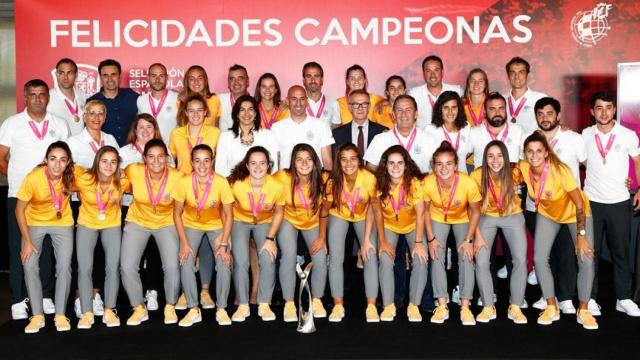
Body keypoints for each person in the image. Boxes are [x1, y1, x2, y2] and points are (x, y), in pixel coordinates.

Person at [0, 79, 69, 320]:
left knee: (47, 249)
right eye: (33, 94)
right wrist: (19, 180)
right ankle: (19, 299)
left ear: (47, 97)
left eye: (42, 94)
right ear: (25, 97)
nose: (38, 98)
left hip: (52, 199)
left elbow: (64, 159)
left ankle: (46, 296)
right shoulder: (12, 123)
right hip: (19, 196)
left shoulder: (59, 124)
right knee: (20, 247)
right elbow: (1, 157)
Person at [520, 131, 598, 330]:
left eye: (539, 151)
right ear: (525, 153)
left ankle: (584, 309)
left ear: (546, 152)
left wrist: (581, 236)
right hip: (548, 214)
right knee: (539, 259)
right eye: (530, 151)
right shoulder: (523, 167)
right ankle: (551, 306)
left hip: (576, 213)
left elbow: (579, 203)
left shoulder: (560, 170)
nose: (534, 155)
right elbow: (502, 172)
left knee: (585, 257)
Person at [582, 91, 640, 317]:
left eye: (608, 107)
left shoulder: (627, 135)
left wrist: (638, 186)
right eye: (599, 108)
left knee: (621, 253)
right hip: (592, 202)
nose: (604, 112)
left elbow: (637, 160)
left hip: (619, 201)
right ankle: (591, 298)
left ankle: (623, 298)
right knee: (590, 253)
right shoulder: (585, 134)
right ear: (592, 111)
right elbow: (582, 159)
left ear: (614, 110)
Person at [529, 97, 586, 314]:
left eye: (550, 113)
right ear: (536, 117)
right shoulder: (531, 141)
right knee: (546, 254)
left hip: (568, 208)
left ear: (558, 116)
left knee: (566, 252)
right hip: (540, 208)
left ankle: (565, 298)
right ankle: (548, 296)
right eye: (541, 114)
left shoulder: (574, 139)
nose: (545, 118)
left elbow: (590, 165)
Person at [120, 139, 183, 326]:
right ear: (144, 159)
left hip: (167, 223)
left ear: (167, 158)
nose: (156, 161)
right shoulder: (133, 170)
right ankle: (139, 307)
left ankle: (170, 305)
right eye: (151, 157)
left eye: (161, 156)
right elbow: (111, 181)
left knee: (171, 266)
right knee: (127, 266)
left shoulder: (178, 176)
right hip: (138, 221)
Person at [172, 144, 234, 326]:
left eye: (206, 161)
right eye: (197, 161)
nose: (202, 166)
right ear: (191, 162)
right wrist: (184, 243)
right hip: (191, 224)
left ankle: (222, 308)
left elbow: (229, 215)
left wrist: (224, 243)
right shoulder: (183, 182)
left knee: (224, 259)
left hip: (216, 225)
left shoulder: (221, 182)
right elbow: (176, 214)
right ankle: (193, 308)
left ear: (212, 162)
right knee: (186, 259)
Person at [18, 142, 75, 333]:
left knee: (64, 267)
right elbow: (19, 210)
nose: (57, 165)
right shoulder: (33, 178)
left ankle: (60, 314)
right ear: (45, 160)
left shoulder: (72, 176)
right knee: (29, 264)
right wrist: (26, 241)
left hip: (62, 222)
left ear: (68, 163)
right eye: (53, 159)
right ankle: (37, 316)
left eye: (62, 160)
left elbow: (99, 176)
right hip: (34, 222)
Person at [423, 141, 481, 325]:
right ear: (433, 166)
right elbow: (424, 211)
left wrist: (469, 239)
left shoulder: (467, 182)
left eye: (448, 164)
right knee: (436, 254)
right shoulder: (428, 182)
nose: (444, 168)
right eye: (439, 164)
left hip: (462, 218)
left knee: (466, 254)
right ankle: (442, 304)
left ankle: (465, 305)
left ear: (456, 166)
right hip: (437, 217)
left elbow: (476, 211)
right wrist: (431, 239)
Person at [471, 140, 528, 324]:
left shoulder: (516, 171)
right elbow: (472, 207)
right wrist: (476, 235)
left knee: (520, 259)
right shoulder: (477, 175)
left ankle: (516, 306)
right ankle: (488, 306)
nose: (495, 160)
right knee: (481, 260)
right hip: (486, 217)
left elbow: (541, 164)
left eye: (499, 155)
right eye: (490, 156)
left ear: (506, 156)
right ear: (485, 158)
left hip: (512, 214)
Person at [320, 143, 379, 322]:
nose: (348, 163)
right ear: (339, 162)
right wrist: (322, 238)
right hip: (339, 214)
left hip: (363, 215)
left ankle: (371, 306)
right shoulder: (332, 180)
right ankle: (338, 305)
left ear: (359, 161)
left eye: (353, 159)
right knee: (336, 258)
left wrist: (376, 239)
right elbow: (324, 210)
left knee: (369, 254)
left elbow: (376, 209)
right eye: (344, 159)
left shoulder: (369, 178)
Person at [371, 145, 428, 322]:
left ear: (406, 165)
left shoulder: (415, 184)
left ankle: (414, 305)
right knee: (385, 258)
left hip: (412, 225)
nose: (395, 167)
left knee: (420, 258)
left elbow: (421, 214)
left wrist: (418, 243)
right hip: (388, 225)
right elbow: (377, 214)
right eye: (391, 163)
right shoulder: (378, 183)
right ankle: (388, 305)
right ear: (385, 165)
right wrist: (382, 240)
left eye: (400, 163)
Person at [228, 146, 285, 322]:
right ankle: (243, 304)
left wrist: (270, 238)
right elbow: (226, 210)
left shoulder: (276, 185)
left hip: (264, 222)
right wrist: (227, 235)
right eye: (253, 163)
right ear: (247, 165)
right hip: (240, 221)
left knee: (268, 257)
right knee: (241, 260)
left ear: (268, 165)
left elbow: (279, 212)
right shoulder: (236, 184)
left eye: (262, 163)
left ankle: (264, 303)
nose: (258, 167)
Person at [74, 146, 127, 329]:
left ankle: (109, 309)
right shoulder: (84, 178)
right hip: (87, 224)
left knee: (112, 267)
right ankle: (87, 312)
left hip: (111, 224)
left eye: (113, 162)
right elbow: (60, 183)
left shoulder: (123, 181)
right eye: (104, 161)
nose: (108, 165)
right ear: (97, 161)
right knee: (84, 267)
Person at [275, 144, 329, 321]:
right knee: (289, 255)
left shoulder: (324, 178)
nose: (304, 163)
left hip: (313, 220)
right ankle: (289, 302)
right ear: (293, 162)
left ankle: (317, 299)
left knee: (320, 255)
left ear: (315, 162)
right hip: (288, 219)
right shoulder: (283, 176)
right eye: (299, 159)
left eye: (308, 159)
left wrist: (322, 237)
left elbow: (324, 211)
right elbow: (262, 182)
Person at [118, 114, 165, 312]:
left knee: (154, 251)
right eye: (141, 127)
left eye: (150, 127)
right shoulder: (124, 152)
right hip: (130, 208)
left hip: (156, 210)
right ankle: (134, 295)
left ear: (155, 130)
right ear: (134, 131)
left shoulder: (163, 150)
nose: (145, 131)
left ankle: (152, 290)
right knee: (134, 254)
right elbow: (118, 181)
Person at [364, 94, 439, 173]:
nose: (404, 114)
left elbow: (438, 166)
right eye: (399, 110)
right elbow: (370, 169)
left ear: (416, 114)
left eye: (408, 110)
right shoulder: (380, 139)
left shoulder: (429, 139)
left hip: (420, 184)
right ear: (393, 115)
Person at [271, 85, 334, 170]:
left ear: (307, 101)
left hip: (314, 180)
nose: (298, 103)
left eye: (302, 99)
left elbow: (327, 162)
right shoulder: (276, 128)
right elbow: (274, 162)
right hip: (286, 180)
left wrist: (329, 182)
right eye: (294, 99)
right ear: (287, 101)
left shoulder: (322, 126)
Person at [215, 95, 279, 177]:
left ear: (255, 113)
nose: (246, 113)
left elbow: (274, 166)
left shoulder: (267, 135)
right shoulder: (226, 137)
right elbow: (220, 169)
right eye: (242, 110)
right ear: (237, 114)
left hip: (263, 185)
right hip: (233, 186)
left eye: (250, 109)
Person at [88, 59, 139, 146]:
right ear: (100, 77)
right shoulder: (92, 102)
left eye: (113, 74)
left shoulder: (132, 96)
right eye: (105, 75)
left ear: (120, 76)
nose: (110, 79)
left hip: (132, 152)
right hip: (105, 154)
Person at [469, 93, 524, 169]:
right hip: (483, 180)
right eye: (492, 109)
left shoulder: (518, 131)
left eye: (501, 108)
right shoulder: (473, 133)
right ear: (484, 111)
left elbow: (524, 159)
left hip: (511, 179)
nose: (497, 113)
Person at [170, 94, 221, 174]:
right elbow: (170, 160)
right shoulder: (176, 133)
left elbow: (220, 161)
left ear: (205, 112)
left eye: (199, 110)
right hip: (182, 182)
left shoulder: (215, 133)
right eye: (191, 111)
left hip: (207, 182)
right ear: (186, 113)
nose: (195, 114)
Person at [408, 55, 463, 129]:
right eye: (428, 71)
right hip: (423, 139)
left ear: (442, 72)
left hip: (450, 138)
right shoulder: (413, 94)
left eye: (436, 70)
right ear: (423, 73)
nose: (432, 75)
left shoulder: (457, 91)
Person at [331, 89, 388, 159]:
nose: (360, 108)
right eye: (356, 104)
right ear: (349, 108)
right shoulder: (337, 134)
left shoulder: (382, 132)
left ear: (369, 107)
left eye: (364, 104)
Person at [425, 91, 471, 173]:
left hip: (462, 180)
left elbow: (468, 153)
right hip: (439, 180)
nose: (450, 112)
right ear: (440, 109)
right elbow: (429, 161)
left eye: (454, 107)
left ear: (459, 109)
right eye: (446, 107)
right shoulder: (430, 130)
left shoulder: (466, 127)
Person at [67, 100, 120, 168]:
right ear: (84, 117)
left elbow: (119, 164)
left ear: (105, 118)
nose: (96, 117)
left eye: (100, 113)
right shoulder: (73, 142)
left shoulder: (110, 139)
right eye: (92, 113)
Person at [503, 57, 547, 134]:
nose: (517, 76)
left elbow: (551, 123)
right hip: (506, 145)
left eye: (521, 72)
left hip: (532, 145)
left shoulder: (541, 98)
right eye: (513, 72)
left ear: (528, 76)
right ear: (508, 77)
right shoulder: (501, 100)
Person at [137, 63, 179, 144]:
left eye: (161, 76)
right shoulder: (141, 100)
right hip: (148, 150)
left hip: (171, 151)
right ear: (148, 78)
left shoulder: (177, 98)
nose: (157, 80)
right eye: (153, 76)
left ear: (166, 78)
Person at [47, 58, 86, 135]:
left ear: (76, 75)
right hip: (59, 145)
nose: (65, 77)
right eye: (61, 73)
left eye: (69, 73)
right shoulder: (48, 97)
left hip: (80, 145)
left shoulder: (82, 95)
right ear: (56, 75)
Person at [218, 64, 250, 131]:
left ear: (247, 81)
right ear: (228, 83)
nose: (236, 82)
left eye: (240, 78)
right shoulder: (219, 100)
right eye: (232, 79)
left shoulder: (256, 103)